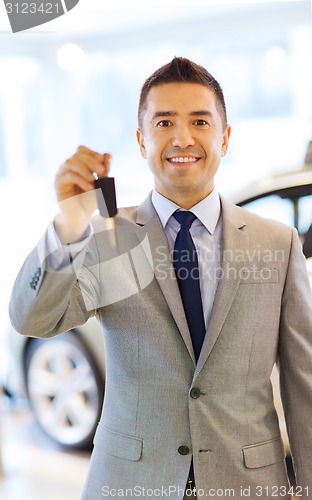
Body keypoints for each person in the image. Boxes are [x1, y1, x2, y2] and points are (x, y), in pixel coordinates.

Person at [9, 57, 312, 499]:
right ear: (141, 140)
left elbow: (304, 387)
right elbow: (31, 320)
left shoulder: (277, 245)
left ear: (224, 138)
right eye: (164, 122)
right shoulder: (108, 238)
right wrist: (69, 224)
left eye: (200, 122)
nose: (182, 138)